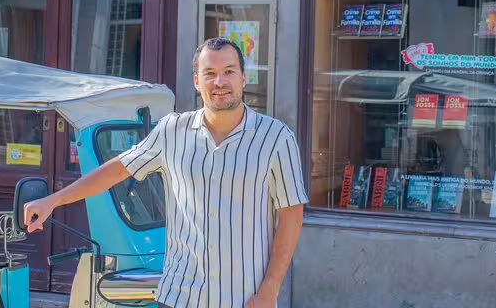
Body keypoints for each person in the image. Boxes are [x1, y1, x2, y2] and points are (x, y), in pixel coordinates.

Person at [23, 37, 308, 307]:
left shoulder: (276, 138)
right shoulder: (172, 131)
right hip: (178, 297)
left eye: (229, 71)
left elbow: (291, 216)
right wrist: (53, 201)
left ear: (243, 78)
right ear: (197, 82)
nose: (219, 81)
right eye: (209, 73)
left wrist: (269, 291)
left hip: (244, 300)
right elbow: (116, 170)